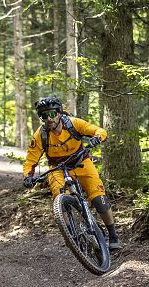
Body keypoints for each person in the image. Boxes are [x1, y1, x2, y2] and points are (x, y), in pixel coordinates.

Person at [22, 96, 122, 250]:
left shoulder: (73, 123)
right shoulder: (40, 135)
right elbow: (30, 160)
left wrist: (97, 138)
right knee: (60, 200)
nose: (49, 118)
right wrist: (27, 176)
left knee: (98, 199)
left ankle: (113, 235)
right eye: (44, 115)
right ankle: (72, 236)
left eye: (52, 113)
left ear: (59, 113)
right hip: (57, 168)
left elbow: (99, 130)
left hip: (81, 162)